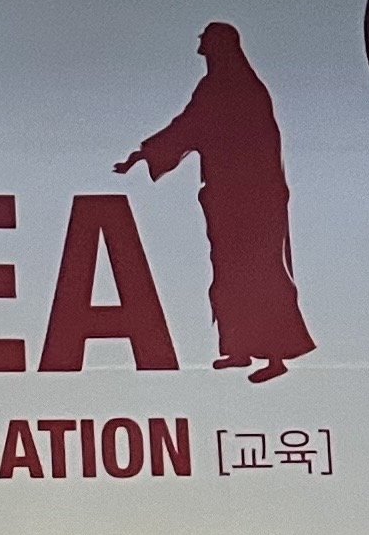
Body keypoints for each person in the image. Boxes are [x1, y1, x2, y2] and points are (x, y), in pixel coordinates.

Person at [119, 24, 314, 381]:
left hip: (254, 201)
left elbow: (191, 128)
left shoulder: (240, 91)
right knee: (228, 274)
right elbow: (187, 126)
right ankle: (238, 349)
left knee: (264, 274)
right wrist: (145, 153)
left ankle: (275, 357)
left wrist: (147, 153)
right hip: (227, 200)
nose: (201, 52)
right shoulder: (216, 88)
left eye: (206, 45)